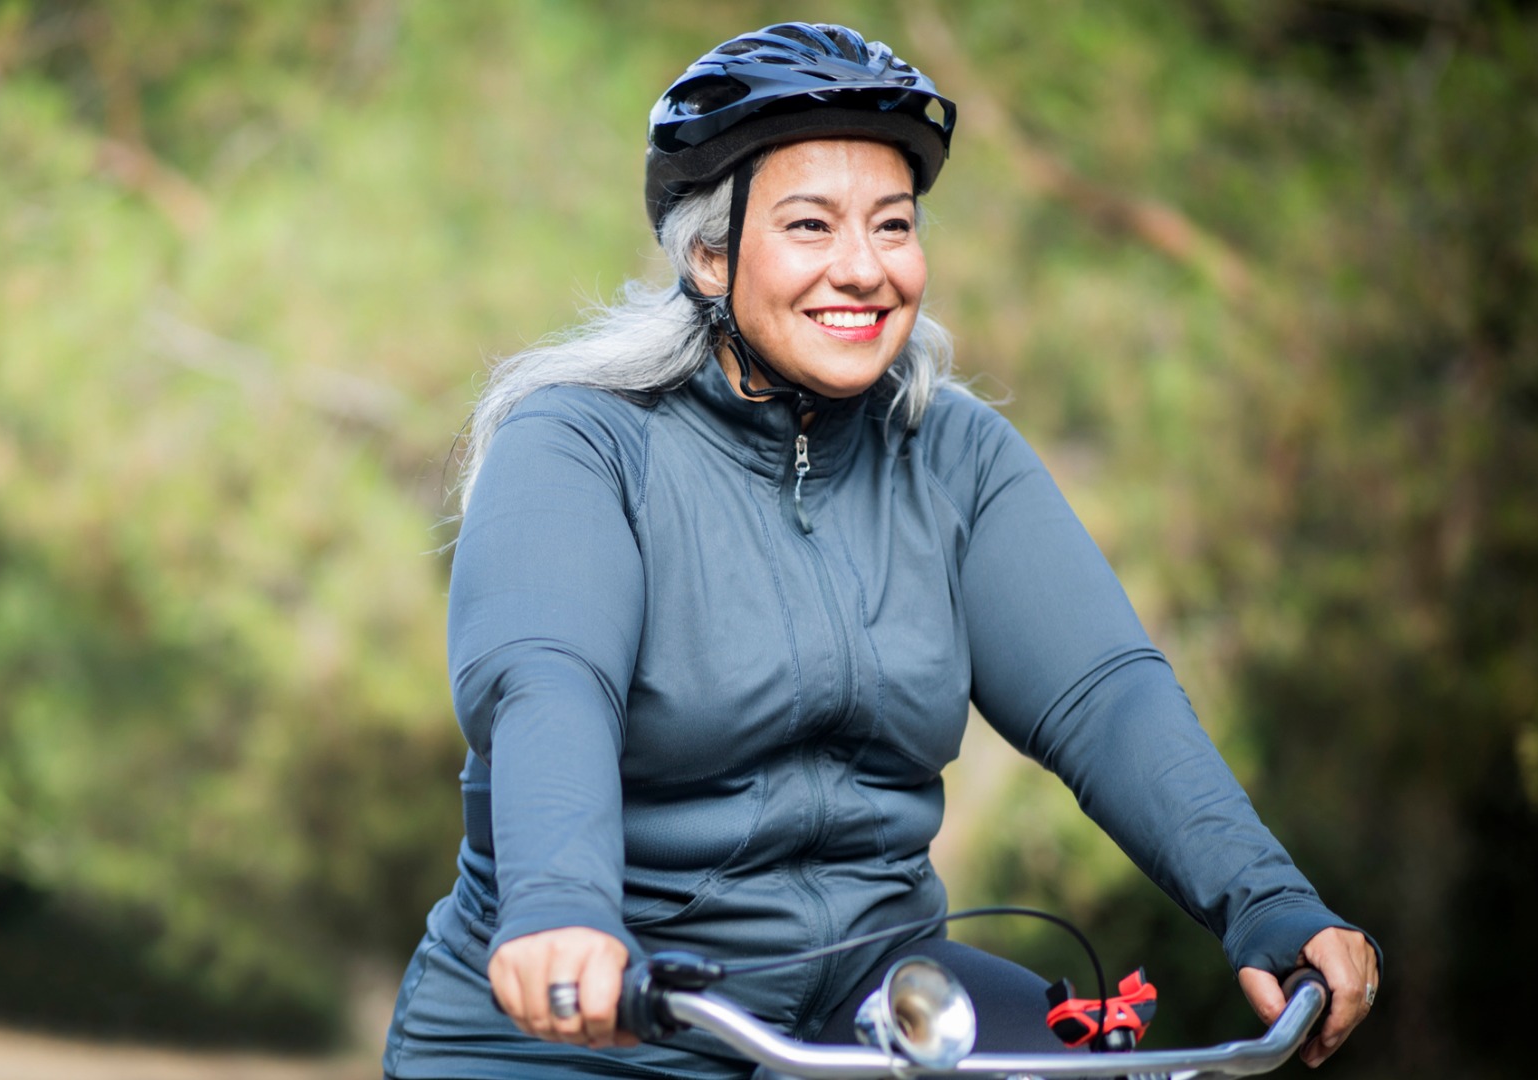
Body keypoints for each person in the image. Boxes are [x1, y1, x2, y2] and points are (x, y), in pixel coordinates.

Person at [382, 22, 1379, 1080]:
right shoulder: (581, 442)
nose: (863, 269)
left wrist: (1266, 898)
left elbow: (1106, 700)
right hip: (606, 1019)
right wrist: (561, 916)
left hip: (876, 1011)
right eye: (810, 226)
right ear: (710, 254)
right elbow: (548, 686)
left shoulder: (954, 454)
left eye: (894, 226)